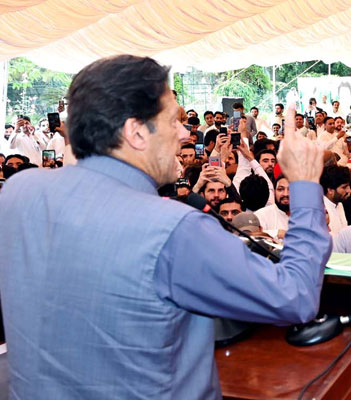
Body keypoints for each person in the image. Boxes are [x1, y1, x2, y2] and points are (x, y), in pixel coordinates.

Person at [0, 55, 332, 399]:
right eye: (174, 120)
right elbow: (297, 296)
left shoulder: (17, 192)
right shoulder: (174, 229)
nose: (186, 132)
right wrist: (305, 182)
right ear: (136, 132)